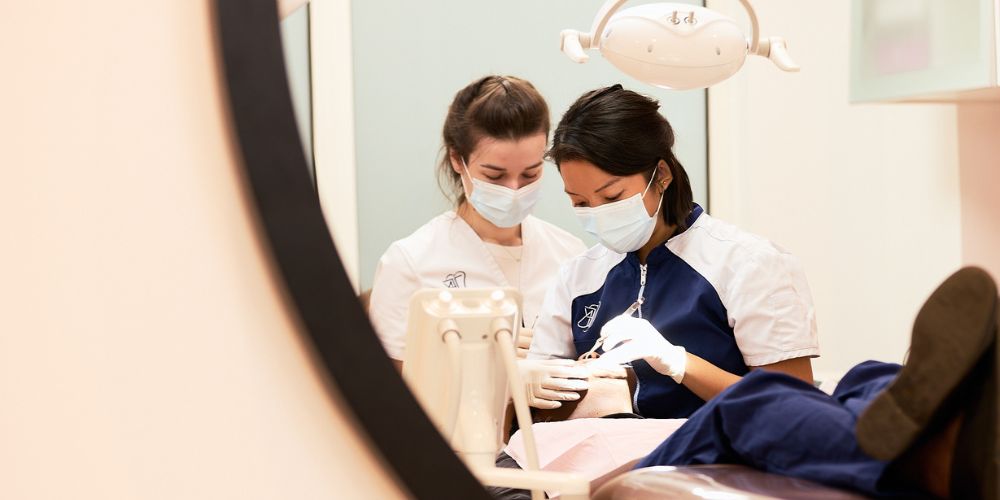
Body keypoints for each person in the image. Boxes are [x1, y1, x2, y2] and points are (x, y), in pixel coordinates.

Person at [527, 84, 819, 417]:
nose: (598, 212)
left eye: (612, 197)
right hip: (599, 448)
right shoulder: (577, 278)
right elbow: (534, 406)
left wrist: (679, 363)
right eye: (580, 203)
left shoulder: (750, 265)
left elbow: (793, 411)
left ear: (661, 175)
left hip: (711, 448)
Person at [634, 266, 998, 499]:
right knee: (869, 375)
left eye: (612, 195)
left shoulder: (740, 260)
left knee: (751, 401)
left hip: (945, 471)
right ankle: (951, 420)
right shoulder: (605, 270)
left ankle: (933, 457)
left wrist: (614, 484)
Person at [368, 75, 587, 372]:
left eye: (530, 174)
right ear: (457, 159)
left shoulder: (570, 254)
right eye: (495, 176)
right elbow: (387, 387)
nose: (513, 189)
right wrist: (478, 358)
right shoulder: (410, 262)